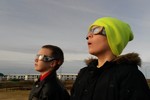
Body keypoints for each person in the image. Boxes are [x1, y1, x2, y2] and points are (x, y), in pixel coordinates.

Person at [70, 17, 150, 100]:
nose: (88, 36)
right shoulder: (84, 72)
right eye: (89, 32)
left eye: (95, 30)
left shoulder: (130, 75)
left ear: (114, 37)